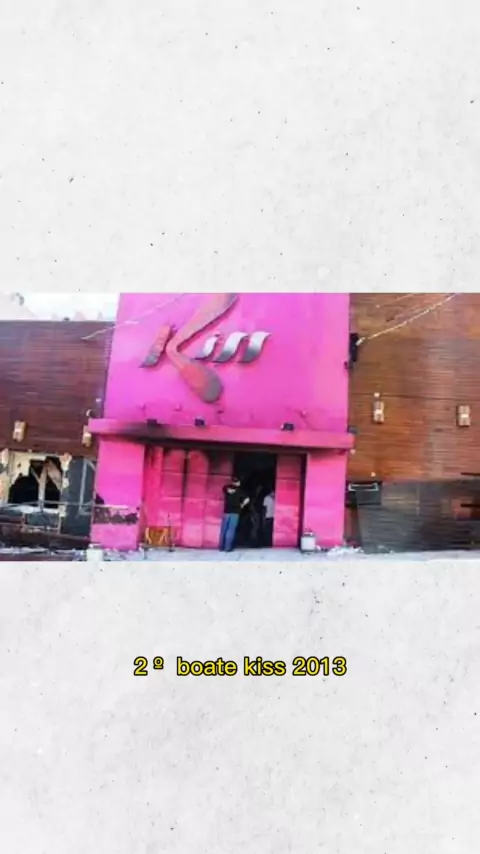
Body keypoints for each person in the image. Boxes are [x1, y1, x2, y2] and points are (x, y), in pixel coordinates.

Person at [219, 477, 249, 552]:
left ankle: (221, 547)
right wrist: (242, 505)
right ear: (238, 483)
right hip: (235, 512)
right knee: (231, 530)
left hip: (226, 512)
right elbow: (247, 499)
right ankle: (227, 547)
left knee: (224, 529)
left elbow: (225, 489)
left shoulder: (226, 488)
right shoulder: (240, 491)